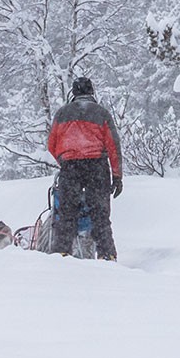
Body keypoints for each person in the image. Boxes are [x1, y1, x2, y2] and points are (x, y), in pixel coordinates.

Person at [47, 75, 124, 260]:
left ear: (73, 93)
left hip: (70, 167)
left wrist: (65, 159)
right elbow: (113, 145)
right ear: (91, 92)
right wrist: (117, 176)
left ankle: (62, 254)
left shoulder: (62, 113)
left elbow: (52, 144)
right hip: (97, 166)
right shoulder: (102, 113)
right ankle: (107, 255)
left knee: (66, 214)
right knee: (100, 214)